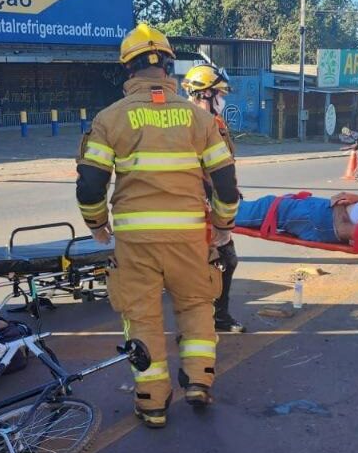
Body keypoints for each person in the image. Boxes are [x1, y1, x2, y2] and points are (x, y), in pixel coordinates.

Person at [75, 24, 239, 429]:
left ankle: (152, 402)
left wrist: (97, 225)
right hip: (187, 238)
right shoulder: (197, 120)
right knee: (197, 306)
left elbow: (90, 184)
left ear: (127, 70)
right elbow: (225, 181)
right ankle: (199, 381)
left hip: (136, 242)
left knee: (143, 317)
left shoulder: (110, 118)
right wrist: (223, 225)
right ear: (168, 65)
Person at [183, 63, 246, 334]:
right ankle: (194, 326)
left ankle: (217, 317)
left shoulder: (215, 123)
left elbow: (221, 166)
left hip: (213, 202)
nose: (223, 99)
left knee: (224, 261)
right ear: (204, 94)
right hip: (195, 206)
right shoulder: (187, 124)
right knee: (198, 269)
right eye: (219, 94)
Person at [236, 191, 358, 252]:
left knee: (271, 207)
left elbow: (343, 230)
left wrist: (337, 203)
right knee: (271, 205)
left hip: (322, 221)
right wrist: (356, 198)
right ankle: (227, 204)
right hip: (324, 211)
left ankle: (220, 210)